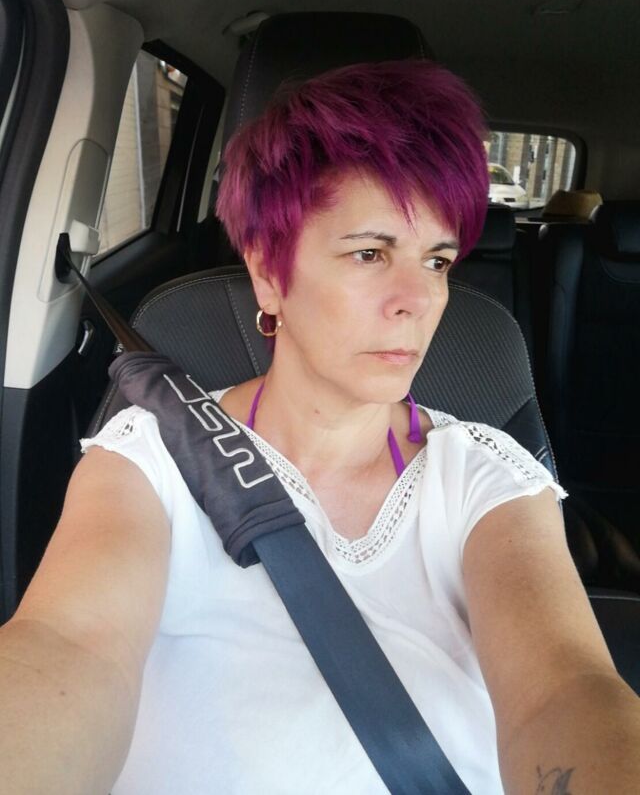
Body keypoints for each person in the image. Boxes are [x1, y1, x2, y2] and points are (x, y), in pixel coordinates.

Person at [1, 60, 639, 795]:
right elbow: (67, 644)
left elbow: (566, 690)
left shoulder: (485, 477)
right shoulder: (152, 456)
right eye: (370, 253)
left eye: (436, 260)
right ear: (269, 274)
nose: (419, 299)